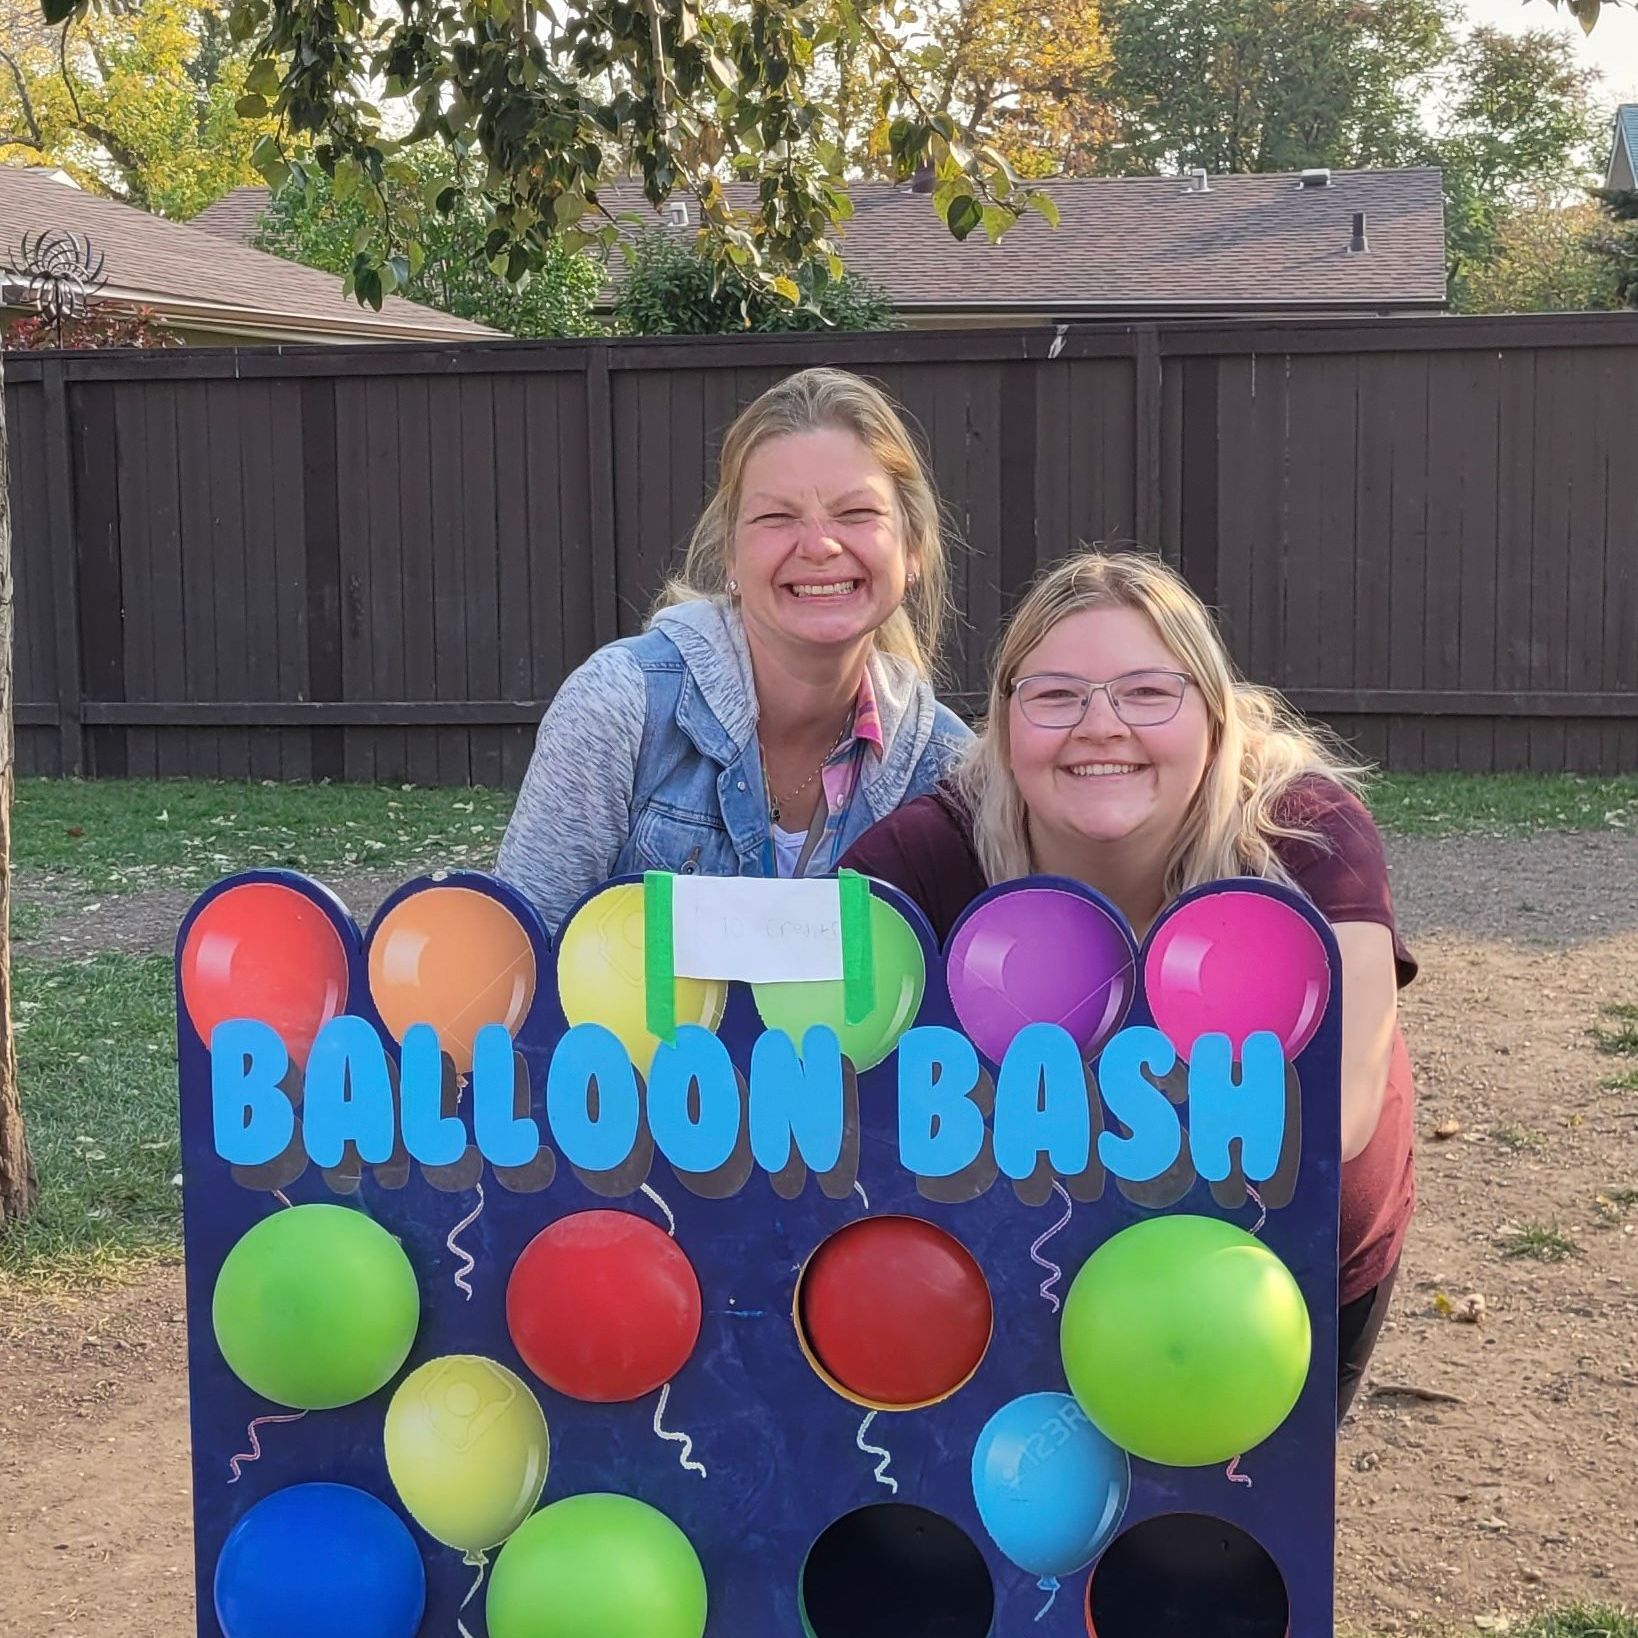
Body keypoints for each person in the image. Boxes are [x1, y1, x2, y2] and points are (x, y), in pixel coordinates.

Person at [839, 550, 1415, 1420]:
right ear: (1003, 725)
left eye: (1149, 693)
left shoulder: (1303, 832)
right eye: (1056, 694)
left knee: (1227, 1528)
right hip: (1022, 1256)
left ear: (1215, 716)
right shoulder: (930, 851)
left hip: (1281, 1265)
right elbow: (806, 1065)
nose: (1100, 726)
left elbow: (1339, 1106)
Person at [497, 367, 971, 931]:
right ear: (731, 558)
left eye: (856, 513)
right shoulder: (621, 707)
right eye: (777, 517)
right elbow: (518, 966)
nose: (819, 544)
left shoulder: (944, 767)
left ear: (912, 548)